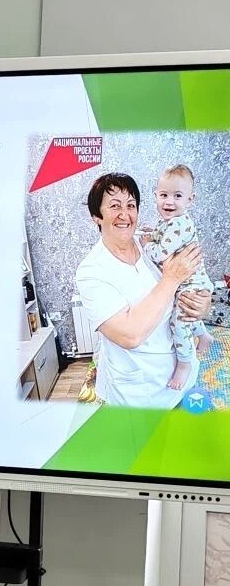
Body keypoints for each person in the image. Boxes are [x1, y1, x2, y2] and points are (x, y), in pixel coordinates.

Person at [74, 172, 211, 409]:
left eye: (131, 205)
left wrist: (203, 303)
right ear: (96, 216)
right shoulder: (91, 271)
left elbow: (192, 277)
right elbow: (130, 335)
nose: (125, 214)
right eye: (114, 206)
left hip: (185, 378)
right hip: (142, 392)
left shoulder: (149, 242)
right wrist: (171, 278)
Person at [139, 164, 215, 389]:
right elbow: (161, 234)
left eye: (177, 196)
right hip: (188, 282)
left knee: (179, 322)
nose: (169, 202)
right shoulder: (170, 222)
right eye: (164, 195)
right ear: (156, 195)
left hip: (192, 284)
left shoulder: (179, 224)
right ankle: (204, 335)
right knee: (187, 313)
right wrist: (151, 233)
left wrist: (146, 244)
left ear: (190, 200)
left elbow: (161, 252)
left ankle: (184, 363)